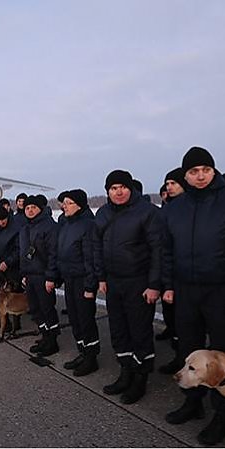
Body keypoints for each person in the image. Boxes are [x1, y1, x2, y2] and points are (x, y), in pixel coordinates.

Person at [160, 147, 225, 445]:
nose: (200, 176)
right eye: (193, 171)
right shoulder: (174, 208)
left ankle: (222, 415)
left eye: (205, 170)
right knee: (189, 350)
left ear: (213, 170)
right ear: (185, 175)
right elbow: (166, 252)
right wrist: (168, 284)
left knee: (222, 358)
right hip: (186, 291)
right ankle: (192, 402)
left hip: (223, 291)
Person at [94, 169, 165, 405]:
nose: (118, 192)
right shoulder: (103, 213)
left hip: (139, 282)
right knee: (119, 330)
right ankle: (126, 372)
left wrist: (154, 284)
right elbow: (97, 248)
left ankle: (140, 378)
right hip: (113, 282)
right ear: (108, 191)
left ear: (130, 188)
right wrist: (101, 277)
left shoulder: (147, 213)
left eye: (122, 187)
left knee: (140, 331)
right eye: (113, 188)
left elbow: (158, 250)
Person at [51, 189, 100, 376]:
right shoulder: (66, 224)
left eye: (69, 203)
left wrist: (90, 286)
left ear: (79, 204)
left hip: (82, 281)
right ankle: (83, 352)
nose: (64, 206)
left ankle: (91, 357)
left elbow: (91, 258)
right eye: (64, 203)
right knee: (75, 319)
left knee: (86, 320)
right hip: (69, 279)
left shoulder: (88, 225)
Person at [19, 194, 61, 356]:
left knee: (47, 308)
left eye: (33, 208)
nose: (30, 210)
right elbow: (23, 253)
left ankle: (52, 341)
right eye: (27, 208)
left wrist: (51, 277)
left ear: (40, 209)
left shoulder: (49, 227)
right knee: (35, 309)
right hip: (30, 275)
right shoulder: (25, 228)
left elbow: (53, 254)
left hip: (43, 275)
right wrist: (24, 273)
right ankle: (45, 336)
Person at [156, 167, 185, 375]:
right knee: (177, 322)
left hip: (199, 280)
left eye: (173, 183)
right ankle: (180, 357)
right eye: (167, 184)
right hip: (173, 276)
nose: (169, 188)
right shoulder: (167, 211)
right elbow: (162, 248)